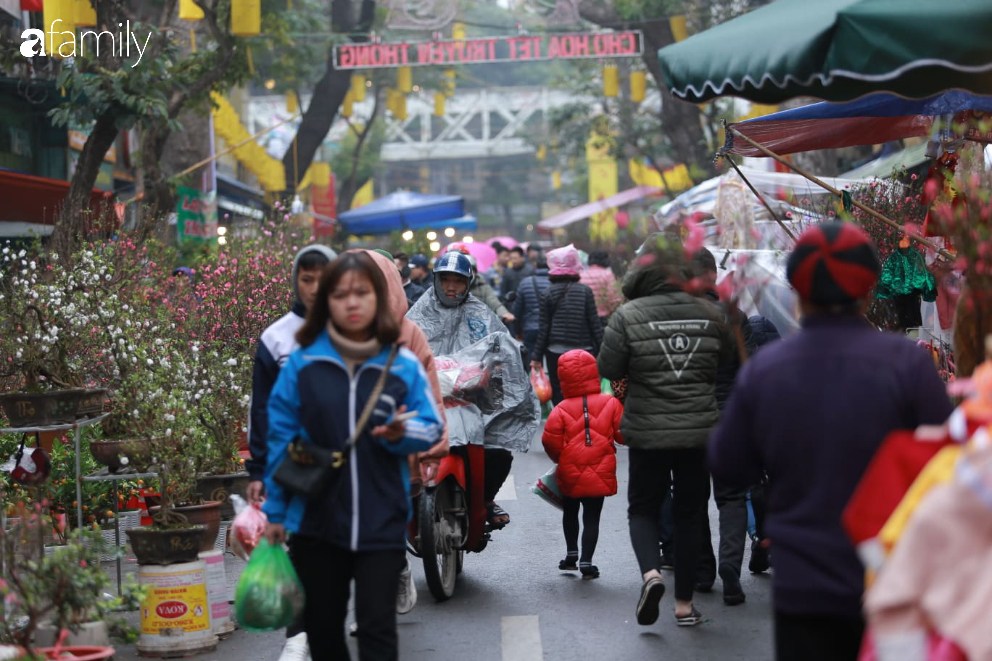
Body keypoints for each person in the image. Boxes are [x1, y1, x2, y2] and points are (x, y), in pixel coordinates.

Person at [709, 223, 954, 661]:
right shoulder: (907, 366)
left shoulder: (767, 371)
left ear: (799, 292)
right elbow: (947, 467)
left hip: (804, 581)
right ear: (866, 292)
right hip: (892, 577)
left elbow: (729, 465)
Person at [263, 251, 443, 661]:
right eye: (341, 294)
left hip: (381, 519)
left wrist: (402, 433)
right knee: (324, 631)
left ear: (378, 298)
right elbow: (280, 441)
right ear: (326, 300)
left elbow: (431, 426)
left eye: (362, 292)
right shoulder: (303, 365)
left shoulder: (402, 365)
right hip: (315, 521)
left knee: (378, 632)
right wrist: (275, 513)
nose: (352, 302)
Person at [597, 232, 733, 628]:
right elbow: (725, 357)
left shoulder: (628, 315)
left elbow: (608, 369)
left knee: (643, 507)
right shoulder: (711, 314)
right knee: (691, 514)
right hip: (699, 432)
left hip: (647, 430)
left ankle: (652, 575)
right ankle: (685, 606)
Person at [245, 244, 335, 661]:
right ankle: (297, 634)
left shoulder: (357, 329)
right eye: (307, 278)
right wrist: (258, 469)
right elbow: (260, 409)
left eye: (324, 277)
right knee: (299, 544)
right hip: (295, 462)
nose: (315, 288)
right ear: (295, 281)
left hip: (349, 461)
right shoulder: (276, 337)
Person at [406, 251, 540, 529]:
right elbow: (402, 346)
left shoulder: (480, 312)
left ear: (469, 283)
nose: (451, 287)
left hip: (471, 398)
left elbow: (500, 345)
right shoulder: (418, 311)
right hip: (428, 397)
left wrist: (506, 361)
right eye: (445, 280)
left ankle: (486, 501)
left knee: (500, 452)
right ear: (436, 280)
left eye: (458, 281)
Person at [691, 248, 756, 606]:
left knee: (694, 497)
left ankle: (703, 571)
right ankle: (730, 565)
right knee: (731, 496)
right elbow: (752, 372)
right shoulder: (736, 317)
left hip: (691, 419)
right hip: (730, 418)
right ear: (714, 275)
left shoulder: (679, 319)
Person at [542, 349, 625, 579]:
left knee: (570, 512)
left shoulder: (560, 409)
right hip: (601, 467)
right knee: (592, 516)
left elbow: (549, 440)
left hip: (570, 469)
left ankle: (571, 556)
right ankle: (587, 562)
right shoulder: (611, 403)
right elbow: (623, 435)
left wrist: (561, 457)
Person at [530, 245, 603, 405]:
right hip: (583, 351)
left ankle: (564, 421)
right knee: (583, 389)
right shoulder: (585, 291)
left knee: (559, 390)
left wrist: (536, 357)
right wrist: (602, 350)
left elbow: (544, 328)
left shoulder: (547, 293)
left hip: (556, 352)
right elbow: (594, 324)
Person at [513, 257, 550, 360]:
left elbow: (518, 309)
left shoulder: (525, 282)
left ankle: (532, 375)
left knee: (532, 361)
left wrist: (517, 330)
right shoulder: (554, 283)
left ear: (535, 266)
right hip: (550, 329)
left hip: (530, 328)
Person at [580, 250, 623, 328]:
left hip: (585, 317)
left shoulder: (582, 275)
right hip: (603, 317)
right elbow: (614, 298)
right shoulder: (608, 274)